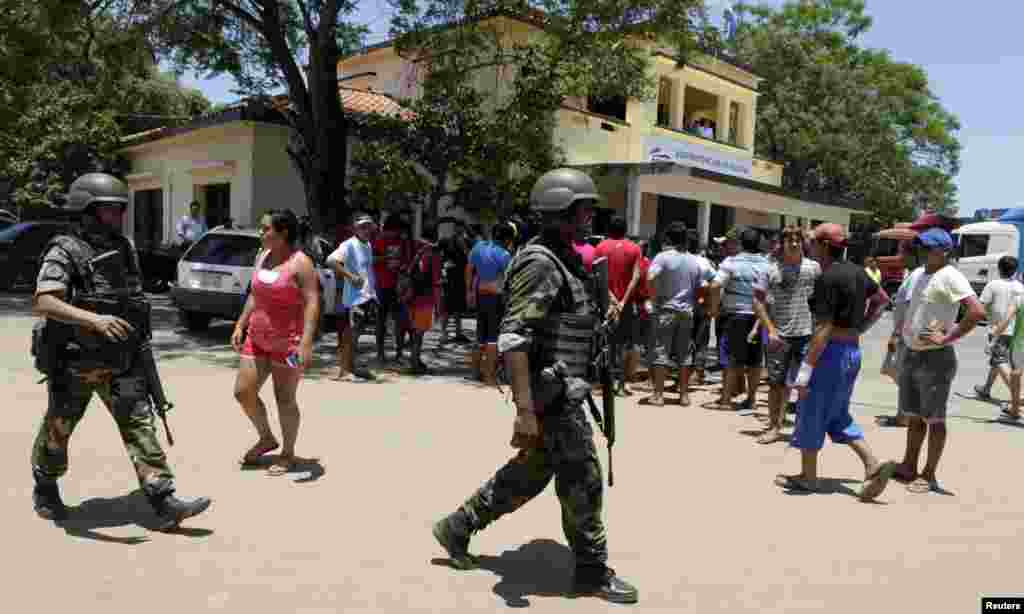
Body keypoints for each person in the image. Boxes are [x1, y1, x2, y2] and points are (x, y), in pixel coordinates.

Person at [431, 168, 638, 604]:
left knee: (530, 473)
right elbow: (515, 338)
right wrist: (525, 411)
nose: (589, 217)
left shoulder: (564, 256)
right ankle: (591, 570)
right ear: (560, 211)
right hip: (551, 392)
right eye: (582, 208)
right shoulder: (541, 262)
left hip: (563, 386)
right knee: (583, 477)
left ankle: (457, 525)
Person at [30, 173, 210, 528]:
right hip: (76, 361)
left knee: (140, 424)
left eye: (119, 209)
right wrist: (93, 321)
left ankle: (163, 499)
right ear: (87, 210)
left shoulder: (124, 247)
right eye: (109, 210)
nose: (117, 216)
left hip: (122, 358)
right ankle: (45, 487)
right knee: (59, 429)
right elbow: (45, 300)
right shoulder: (64, 249)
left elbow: (132, 299)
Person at [775, 223, 896, 500]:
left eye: (812, 241)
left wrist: (805, 371)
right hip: (851, 353)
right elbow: (881, 300)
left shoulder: (827, 278)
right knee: (837, 413)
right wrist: (860, 328)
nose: (809, 245)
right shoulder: (858, 272)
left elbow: (823, 329)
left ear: (824, 245)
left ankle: (808, 477)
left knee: (810, 411)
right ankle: (871, 463)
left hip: (827, 354)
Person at [893, 228, 984, 493]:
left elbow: (977, 311)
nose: (923, 250)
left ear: (944, 251)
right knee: (915, 417)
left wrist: (947, 338)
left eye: (929, 247)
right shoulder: (919, 274)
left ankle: (929, 474)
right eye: (922, 246)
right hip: (912, 353)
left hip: (936, 359)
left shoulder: (951, 276)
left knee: (935, 419)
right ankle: (909, 465)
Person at [753, 226, 821, 444]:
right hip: (778, 336)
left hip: (807, 335)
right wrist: (770, 330)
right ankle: (774, 427)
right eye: (789, 240)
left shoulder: (814, 268)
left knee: (805, 384)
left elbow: (823, 301)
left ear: (803, 243)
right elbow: (757, 301)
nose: (794, 243)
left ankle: (803, 428)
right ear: (781, 243)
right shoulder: (769, 269)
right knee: (776, 384)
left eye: (797, 240)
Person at [644, 222, 709, 407]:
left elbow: (650, 277)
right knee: (685, 353)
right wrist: (696, 302)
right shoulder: (694, 260)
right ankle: (684, 395)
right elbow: (704, 285)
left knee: (661, 352)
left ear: (668, 238)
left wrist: (654, 298)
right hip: (686, 312)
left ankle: (658, 395)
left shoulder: (662, 257)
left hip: (666, 310)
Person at [707, 228, 771, 413]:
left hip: (734, 315)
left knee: (730, 359)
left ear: (741, 243)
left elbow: (715, 285)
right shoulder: (767, 264)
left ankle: (726, 400)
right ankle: (751, 399)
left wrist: (713, 308)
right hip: (758, 318)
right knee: (755, 360)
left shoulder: (731, 262)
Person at [594, 216, 643, 396]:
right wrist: (623, 301)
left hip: (605, 304)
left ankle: (606, 384)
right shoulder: (635, 248)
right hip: (626, 306)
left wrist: (612, 298)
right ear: (626, 230)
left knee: (606, 345)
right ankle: (621, 385)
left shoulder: (600, 247)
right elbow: (636, 277)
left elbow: (598, 277)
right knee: (623, 346)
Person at [327, 214, 379, 381]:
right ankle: (344, 371)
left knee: (355, 335)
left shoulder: (368, 245)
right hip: (353, 299)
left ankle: (351, 367)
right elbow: (331, 261)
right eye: (362, 226)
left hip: (366, 297)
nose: (366, 230)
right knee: (349, 335)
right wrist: (350, 276)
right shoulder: (348, 244)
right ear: (355, 228)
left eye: (368, 226)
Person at [466, 221, 514, 385]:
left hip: (480, 294)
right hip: (496, 297)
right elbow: (508, 280)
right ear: (507, 238)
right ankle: (489, 375)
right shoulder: (504, 255)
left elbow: (469, 269)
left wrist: (469, 291)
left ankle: (474, 372)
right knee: (493, 337)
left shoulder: (478, 247)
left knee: (480, 334)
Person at [974, 256, 1024, 401]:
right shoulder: (1020, 287)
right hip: (1017, 332)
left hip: (999, 330)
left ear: (999, 268)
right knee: (998, 360)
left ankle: (1019, 396)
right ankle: (986, 388)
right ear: (1015, 270)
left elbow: (980, 307)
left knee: (1000, 361)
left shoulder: (993, 285)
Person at [373, 216, 414, 364]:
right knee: (381, 320)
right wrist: (387, 257)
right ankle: (380, 353)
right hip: (382, 285)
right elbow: (372, 259)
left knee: (400, 321)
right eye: (398, 231)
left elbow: (407, 261)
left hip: (398, 286)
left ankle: (399, 353)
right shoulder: (379, 240)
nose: (400, 234)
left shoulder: (403, 241)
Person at [403, 225, 443, 375]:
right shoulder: (434, 253)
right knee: (419, 333)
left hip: (411, 296)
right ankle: (414, 364)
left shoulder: (417, 250)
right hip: (425, 298)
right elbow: (436, 282)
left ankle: (415, 359)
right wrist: (439, 306)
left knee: (414, 331)